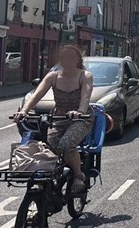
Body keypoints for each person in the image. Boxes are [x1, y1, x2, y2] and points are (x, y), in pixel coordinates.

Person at [13, 45, 94, 192]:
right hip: (58, 117)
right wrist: (24, 111)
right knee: (50, 147)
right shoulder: (53, 76)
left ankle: (78, 175)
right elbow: (36, 94)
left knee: (67, 143)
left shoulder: (85, 76)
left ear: (77, 59)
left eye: (71, 57)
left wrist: (80, 112)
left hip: (81, 118)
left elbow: (85, 96)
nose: (67, 60)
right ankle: (48, 181)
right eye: (63, 57)